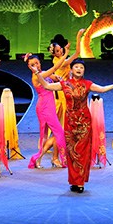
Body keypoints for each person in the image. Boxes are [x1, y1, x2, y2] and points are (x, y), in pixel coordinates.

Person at [40, 58, 113, 192]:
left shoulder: (87, 84)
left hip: (84, 123)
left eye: (81, 67)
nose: (79, 69)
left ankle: (80, 183)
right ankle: (74, 181)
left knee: (82, 152)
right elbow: (46, 86)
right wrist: (37, 73)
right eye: (76, 67)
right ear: (71, 69)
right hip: (70, 122)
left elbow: (102, 89)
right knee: (71, 152)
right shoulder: (65, 84)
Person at [24, 37, 78, 168]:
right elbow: (54, 69)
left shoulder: (42, 73)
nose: (36, 66)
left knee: (54, 133)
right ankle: (45, 158)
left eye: (37, 63)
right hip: (44, 107)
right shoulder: (37, 76)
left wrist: (61, 80)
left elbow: (54, 76)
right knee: (58, 132)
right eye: (33, 65)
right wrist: (66, 53)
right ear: (29, 67)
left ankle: (49, 158)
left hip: (50, 106)